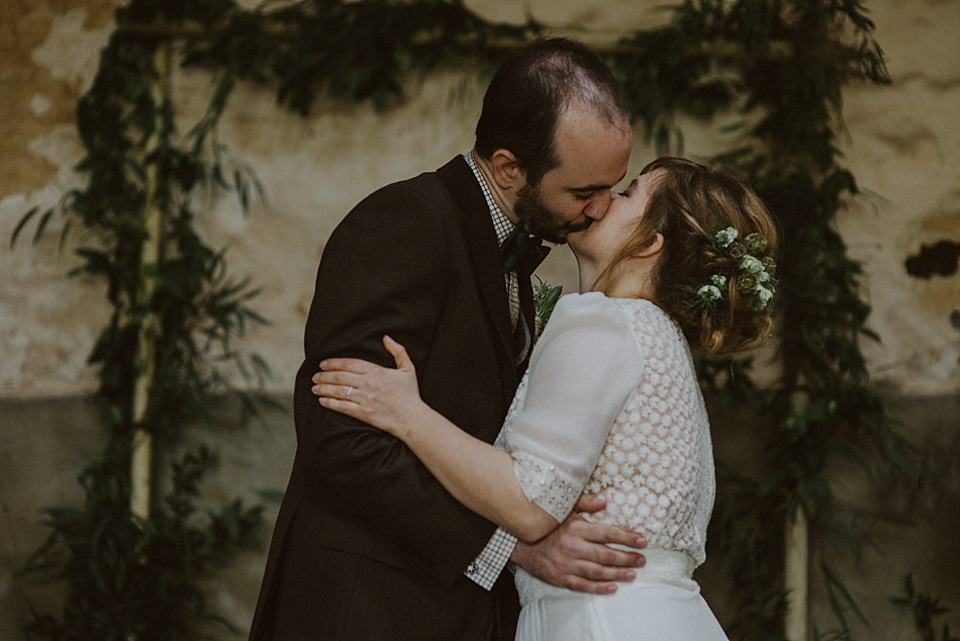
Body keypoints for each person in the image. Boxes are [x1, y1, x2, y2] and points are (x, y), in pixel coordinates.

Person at [248, 38, 649, 641]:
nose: (598, 210)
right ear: (510, 167)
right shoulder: (403, 223)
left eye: (610, 188)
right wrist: (507, 546)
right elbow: (342, 439)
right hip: (365, 607)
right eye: (582, 192)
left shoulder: (511, 248)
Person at [312, 157, 779, 640]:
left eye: (627, 194)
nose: (603, 200)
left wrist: (407, 414)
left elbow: (531, 503)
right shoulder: (658, 337)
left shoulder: (604, 322)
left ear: (649, 243)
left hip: (597, 620)